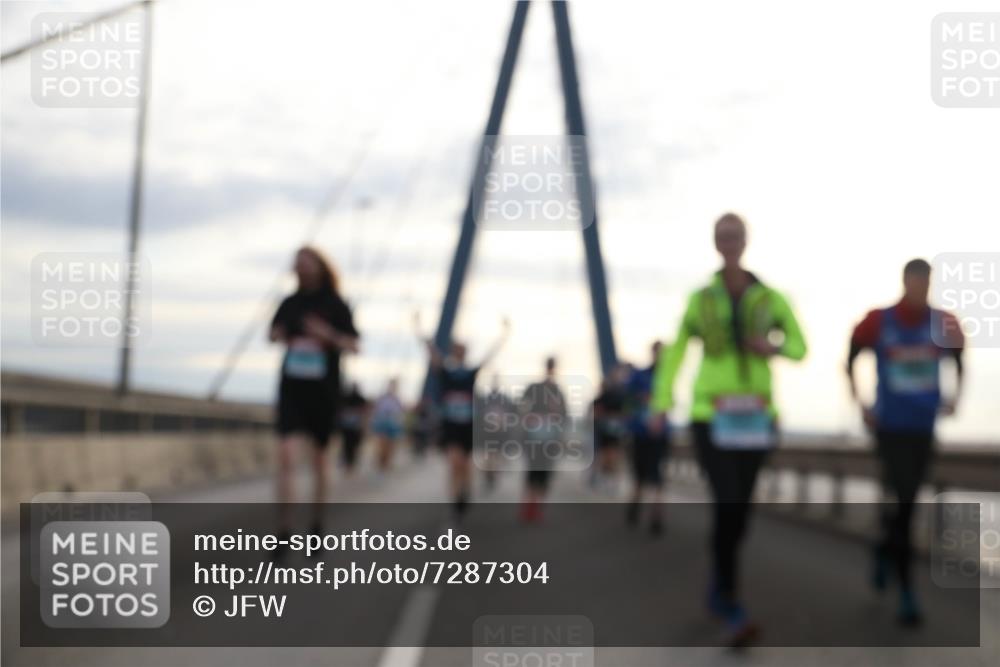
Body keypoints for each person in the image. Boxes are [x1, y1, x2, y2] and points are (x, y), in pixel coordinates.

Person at [650, 213, 807, 647]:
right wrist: (661, 404)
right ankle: (731, 602)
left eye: (736, 235)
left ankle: (719, 583)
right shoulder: (701, 299)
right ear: (715, 243)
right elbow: (677, 352)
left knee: (740, 513)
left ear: (746, 240)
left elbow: (800, 346)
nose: (730, 242)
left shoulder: (771, 298)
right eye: (723, 236)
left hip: (757, 419)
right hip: (710, 416)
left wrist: (771, 346)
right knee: (727, 500)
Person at [847, 258, 964, 626]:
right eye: (916, 282)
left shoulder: (944, 324)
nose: (921, 288)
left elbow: (961, 361)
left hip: (923, 429)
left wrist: (956, 396)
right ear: (905, 281)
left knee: (906, 504)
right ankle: (907, 593)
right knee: (902, 502)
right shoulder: (878, 321)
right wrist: (860, 403)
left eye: (926, 282)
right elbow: (849, 358)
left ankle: (884, 550)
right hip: (889, 429)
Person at [269, 246, 360, 554]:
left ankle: (316, 527)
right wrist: (280, 334)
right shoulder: (290, 303)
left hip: (324, 392)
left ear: (321, 267)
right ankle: (284, 531)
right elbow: (272, 333)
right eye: (297, 265)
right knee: (285, 456)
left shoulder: (336, 305)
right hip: (292, 389)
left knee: (320, 461)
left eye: (307, 264)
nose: (302, 270)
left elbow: (354, 344)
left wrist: (327, 335)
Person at [416, 313, 510, 519]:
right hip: (450, 426)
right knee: (454, 462)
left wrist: (504, 335)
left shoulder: (469, 373)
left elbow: (488, 356)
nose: (459, 351)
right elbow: (432, 352)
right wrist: (419, 328)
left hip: (468, 426)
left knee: (465, 466)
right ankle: (454, 506)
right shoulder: (446, 373)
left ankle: (463, 495)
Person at [625, 342, 670, 536]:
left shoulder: (669, 376)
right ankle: (635, 505)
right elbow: (626, 400)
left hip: (660, 436)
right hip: (640, 433)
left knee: (657, 477)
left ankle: (655, 517)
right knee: (640, 476)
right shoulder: (639, 375)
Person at [518, 356, 568, 523]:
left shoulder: (557, 391)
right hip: (534, 438)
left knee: (543, 474)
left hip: (549, 439)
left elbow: (563, 417)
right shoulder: (536, 388)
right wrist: (529, 418)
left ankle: (536, 507)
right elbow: (521, 407)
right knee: (534, 473)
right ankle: (531, 507)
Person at [591, 365, 629, 494]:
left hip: (613, 430)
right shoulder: (609, 394)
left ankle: (609, 481)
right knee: (606, 455)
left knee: (612, 456)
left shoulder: (622, 394)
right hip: (606, 429)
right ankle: (606, 480)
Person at [371, 378, 405, 473]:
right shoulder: (382, 398)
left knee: (391, 444)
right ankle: (382, 461)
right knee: (383, 443)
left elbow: (400, 411)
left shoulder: (397, 399)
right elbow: (376, 410)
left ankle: (387, 462)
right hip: (382, 422)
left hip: (393, 423)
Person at [338, 382, 368, 475]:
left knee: (351, 445)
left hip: (354, 426)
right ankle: (349, 464)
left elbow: (364, 412)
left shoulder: (358, 398)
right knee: (348, 445)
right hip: (349, 427)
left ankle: (350, 464)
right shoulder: (348, 398)